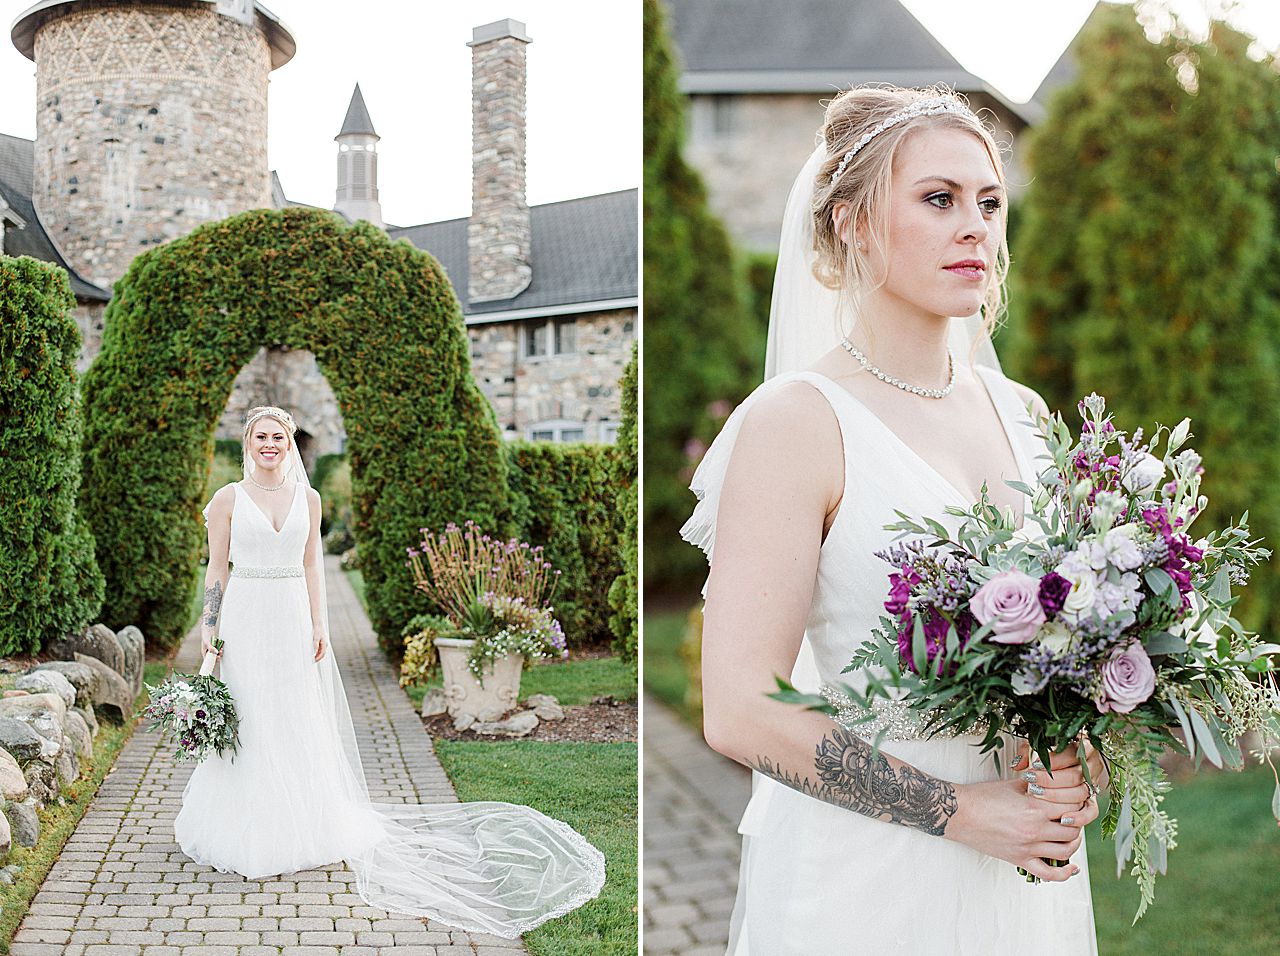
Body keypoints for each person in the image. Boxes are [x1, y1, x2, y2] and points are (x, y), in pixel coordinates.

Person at [683, 87, 1103, 953]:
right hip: (869, 878)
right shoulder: (797, 423)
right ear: (853, 224)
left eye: (990, 203)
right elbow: (738, 708)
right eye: (938, 199)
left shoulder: (1024, 411)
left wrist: (1075, 755)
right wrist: (954, 811)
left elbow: (1065, 642)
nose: (976, 227)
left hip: (1024, 871)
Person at [174, 405, 604, 939]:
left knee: (294, 715)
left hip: (290, 617)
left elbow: (311, 565)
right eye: (261, 436)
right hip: (244, 617)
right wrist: (208, 635)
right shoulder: (227, 500)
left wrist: (321, 625)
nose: (270, 444)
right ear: (248, 443)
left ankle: (301, 824)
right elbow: (216, 568)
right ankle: (250, 829)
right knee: (252, 715)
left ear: (289, 443)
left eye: (278, 437)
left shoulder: (309, 499)